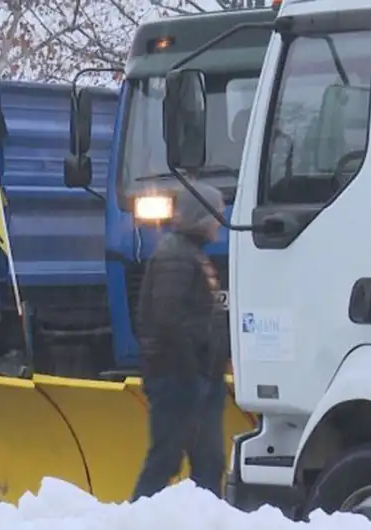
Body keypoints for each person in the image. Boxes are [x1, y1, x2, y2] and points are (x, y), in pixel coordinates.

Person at [131, 182, 229, 501]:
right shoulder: (177, 257)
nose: (220, 220)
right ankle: (134, 519)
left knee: (208, 462)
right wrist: (194, 374)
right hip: (179, 380)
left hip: (193, 379)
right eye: (217, 213)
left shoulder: (189, 255)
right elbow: (169, 321)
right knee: (166, 460)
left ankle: (206, 519)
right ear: (202, 216)